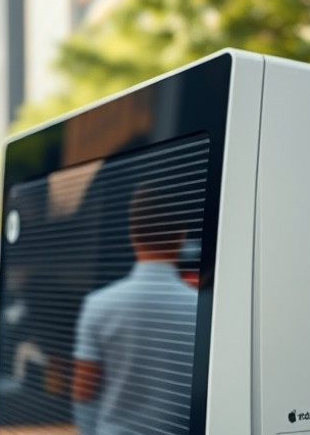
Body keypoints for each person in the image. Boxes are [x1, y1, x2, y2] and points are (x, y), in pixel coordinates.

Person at [71, 182, 200, 435]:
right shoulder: (200, 309)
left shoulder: (98, 305)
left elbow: (84, 394)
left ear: (132, 233)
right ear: (182, 235)